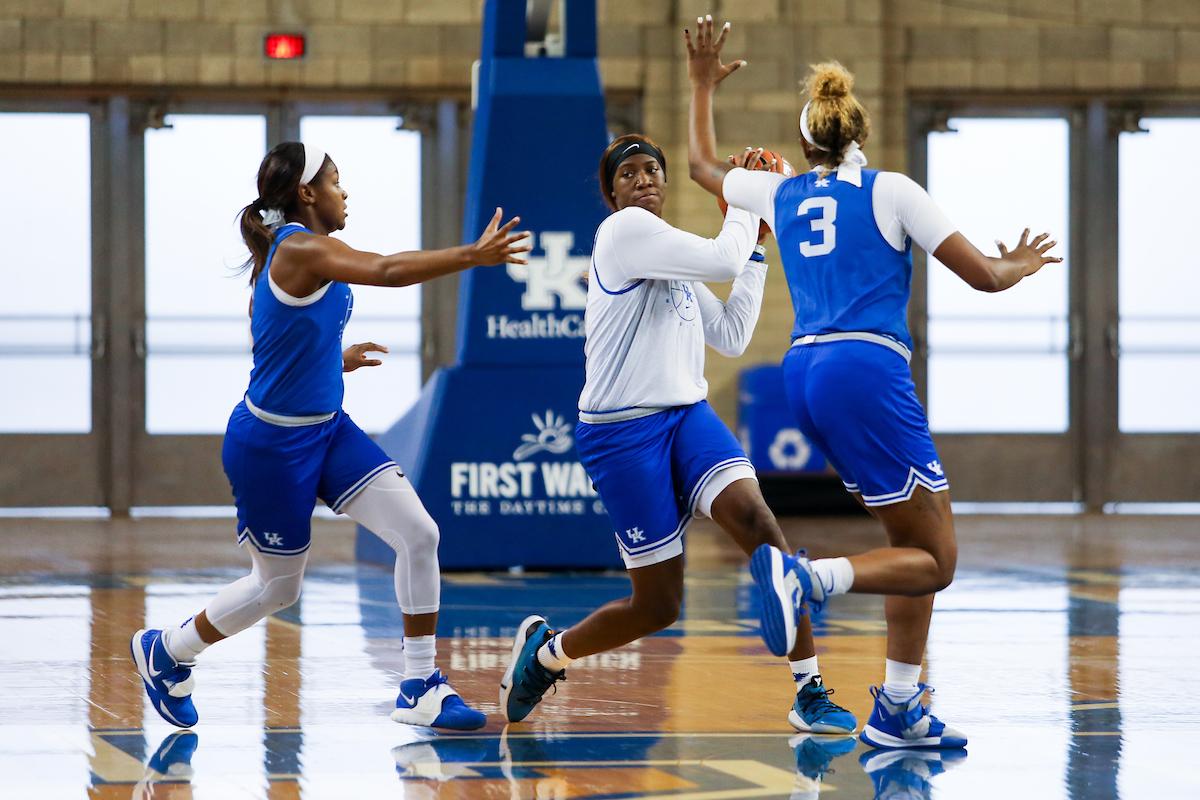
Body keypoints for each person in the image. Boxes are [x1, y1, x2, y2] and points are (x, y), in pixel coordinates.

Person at [685, 16, 1061, 748]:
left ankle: (896, 708)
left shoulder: (781, 193)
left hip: (804, 374)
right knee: (938, 560)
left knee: (906, 541)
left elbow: (702, 165)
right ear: (860, 135)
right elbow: (984, 276)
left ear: (805, 144)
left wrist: (701, 84)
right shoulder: (893, 190)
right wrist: (1019, 263)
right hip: (866, 368)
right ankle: (811, 581)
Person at [130, 141, 530, 731]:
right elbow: (389, 271)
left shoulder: (291, 255)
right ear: (307, 194)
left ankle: (419, 685)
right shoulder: (301, 250)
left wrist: (327, 359)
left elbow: (269, 332)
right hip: (270, 446)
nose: (347, 194)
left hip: (328, 430)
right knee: (276, 591)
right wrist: (473, 256)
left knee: (419, 534)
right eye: (338, 181)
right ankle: (169, 650)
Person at [498, 133, 856, 737]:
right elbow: (721, 256)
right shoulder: (622, 235)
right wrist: (750, 199)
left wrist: (758, 252)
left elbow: (734, 335)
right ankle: (546, 653)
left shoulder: (671, 259)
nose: (644, 180)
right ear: (613, 192)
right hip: (621, 434)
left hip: (688, 418)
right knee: (659, 605)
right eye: (630, 173)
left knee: (762, 527)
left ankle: (808, 689)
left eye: (653, 170)